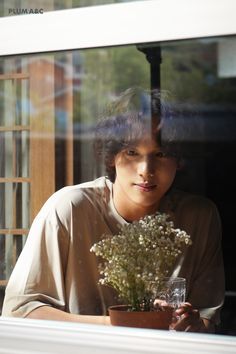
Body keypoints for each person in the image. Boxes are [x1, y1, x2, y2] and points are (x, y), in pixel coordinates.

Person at [2, 87, 224, 332]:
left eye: (161, 154)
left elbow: (207, 320)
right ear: (111, 156)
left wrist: (190, 323)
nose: (146, 169)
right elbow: (18, 311)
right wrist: (121, 323)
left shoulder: (198, 217)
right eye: (132, 152)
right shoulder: (70, 209)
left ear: (178, 159)